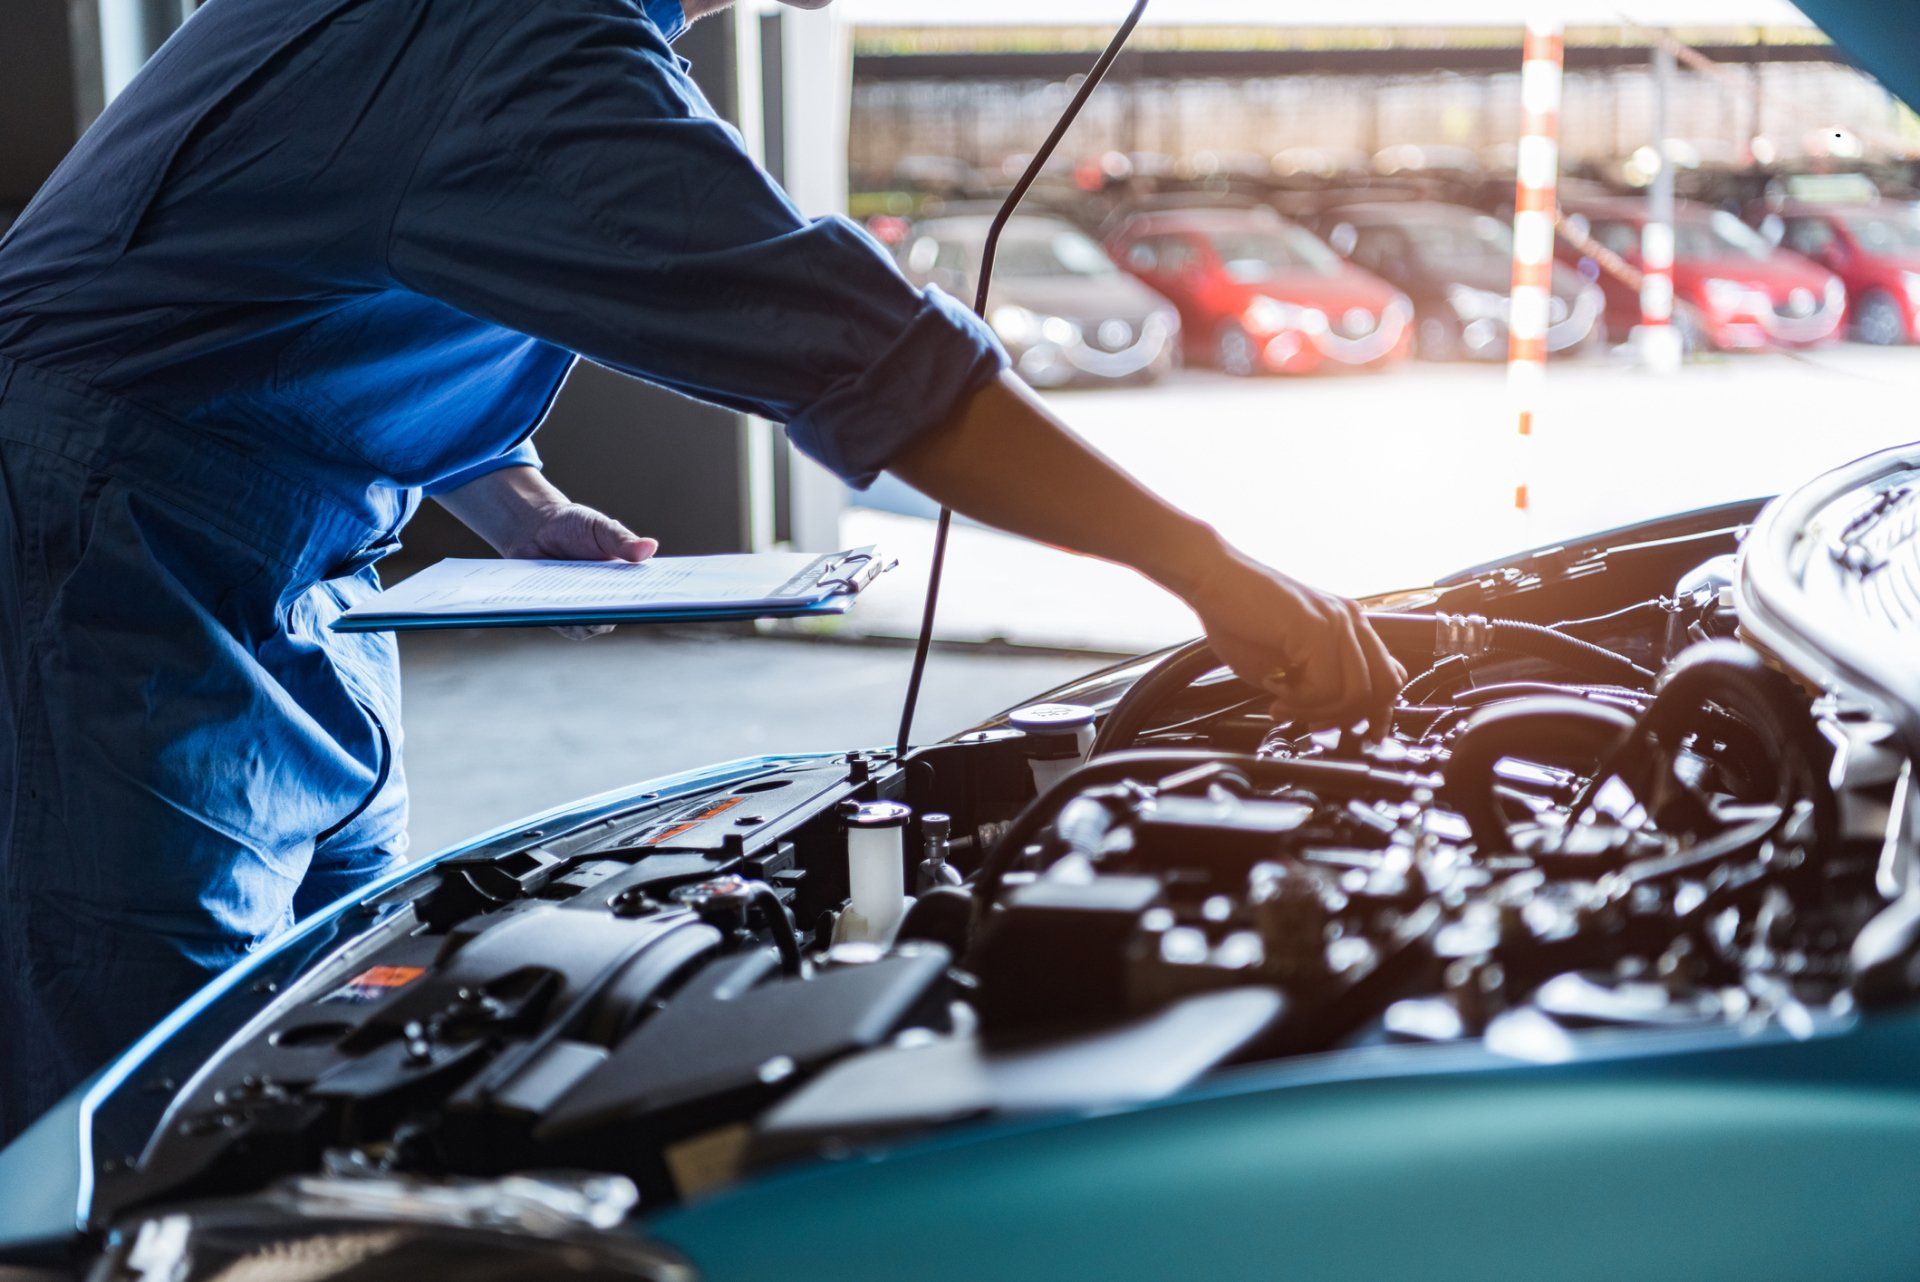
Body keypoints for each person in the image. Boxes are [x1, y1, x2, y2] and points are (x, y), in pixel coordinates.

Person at [0, 0, 1402, 1141]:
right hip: (104, 550)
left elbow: (263, 266)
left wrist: (505, 488)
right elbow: (877, 364)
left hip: (262, 545)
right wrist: (1216, 573)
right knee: (146, 1100)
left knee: (331, 1029)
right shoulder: (520, 44)